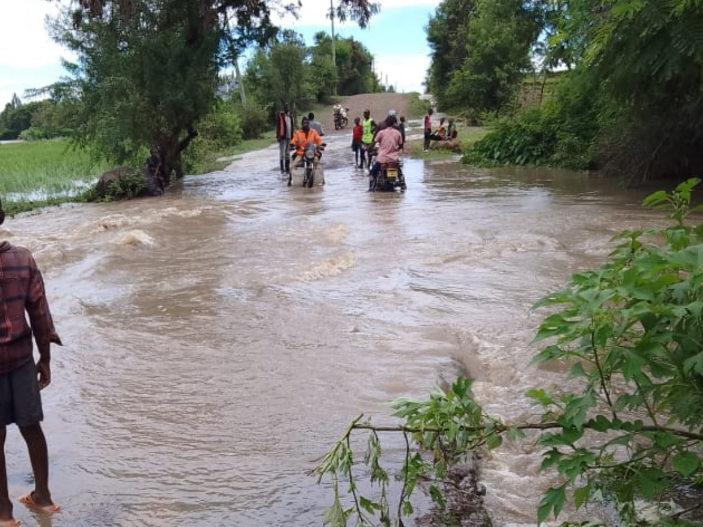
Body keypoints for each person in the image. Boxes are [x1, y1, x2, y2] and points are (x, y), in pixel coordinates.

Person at [0, 197, 62, 527]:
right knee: (31, 428)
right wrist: (46, 358)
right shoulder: (22, 258)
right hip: (23, 360)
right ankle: (44, 498)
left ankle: (4, 514)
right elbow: (39, 314)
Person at [368, 115, 404, 191]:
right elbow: (401, 145)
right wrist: (395, 149)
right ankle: (402, 182)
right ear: (394, 123)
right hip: (394, 159)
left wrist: (367, 148)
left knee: (372, 173)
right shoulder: (398, 133)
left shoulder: (381, 133)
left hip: (382, 159)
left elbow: (374, 143)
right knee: (399, 172)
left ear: (386, 123)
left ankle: (371, 188)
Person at [288, 117, 324, 186]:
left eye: (307, 123)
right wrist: (293, 144)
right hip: (301, 154)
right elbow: (294, 141)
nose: (306, 125)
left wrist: (321, 144)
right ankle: (290, 180)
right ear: (302, 124)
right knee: (292, 166)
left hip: (312, 153)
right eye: (304, 123)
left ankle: (322, 180)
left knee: (319, 165)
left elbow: (318, 139)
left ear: (309, 124)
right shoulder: (298, 133)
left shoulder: (313, 132)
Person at [276, 104, 294, 175]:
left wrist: (292, 136)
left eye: (288, 107)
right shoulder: (281, 116)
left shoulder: (290, 116)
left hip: (289, 137)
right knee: (282, 154)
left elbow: (291, 126)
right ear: (284, 108)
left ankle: (287, 168)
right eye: (286, 107)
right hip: (282, 137)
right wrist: (278, 136)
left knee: (287, 153)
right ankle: (282, 169)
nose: (288, 108)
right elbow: (278, 126)